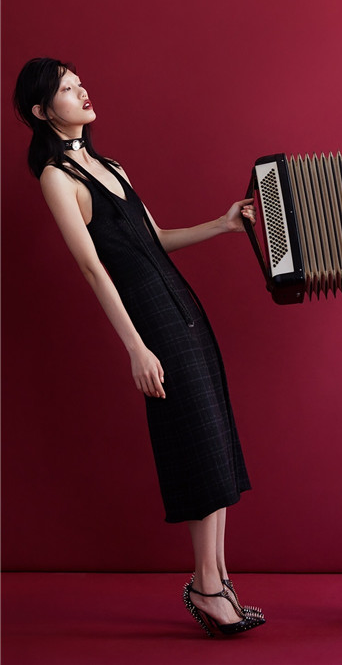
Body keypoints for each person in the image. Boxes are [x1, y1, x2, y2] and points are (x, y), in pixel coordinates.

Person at [13, 58, 265, 638]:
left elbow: (156, 240)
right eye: (67, 88)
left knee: (215, 441)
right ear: (41, 111)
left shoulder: (111, 166)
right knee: (196, 446)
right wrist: (136, 347)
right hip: (150, 323)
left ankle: (218, 579)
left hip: (184, 309)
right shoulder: (57, 177)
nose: (82, 91)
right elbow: (91, 268)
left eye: (79, 82)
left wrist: (223, 224)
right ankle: (205, 587)